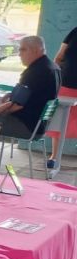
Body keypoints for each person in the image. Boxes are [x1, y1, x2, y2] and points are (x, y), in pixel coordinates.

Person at [0, 36, 61, 140]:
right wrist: (12, 95)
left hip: (26, 126)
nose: (19, 54)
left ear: (36, 50)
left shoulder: (35, 72)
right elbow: (34, 95)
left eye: (23, 49)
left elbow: (16, 105)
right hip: (39, 127)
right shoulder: (53, 67)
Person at [47, 26, 77, 176]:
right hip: (66, 81)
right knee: (60, 119)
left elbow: (59, 56)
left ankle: (54, 157)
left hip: (66, 79)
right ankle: (54, 157)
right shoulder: (75, 31)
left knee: (60, 119)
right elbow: (58, 57)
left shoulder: (75, 31)